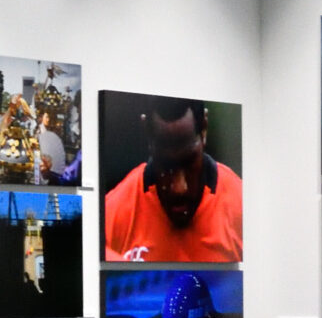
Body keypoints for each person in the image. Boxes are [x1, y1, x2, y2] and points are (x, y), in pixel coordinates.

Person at [102, 99, 243, 262]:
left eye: (189, 163)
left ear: (204, 128)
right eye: (165, 165)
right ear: (147, 131)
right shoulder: (110, 217)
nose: (179, 188)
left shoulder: (242, 210)